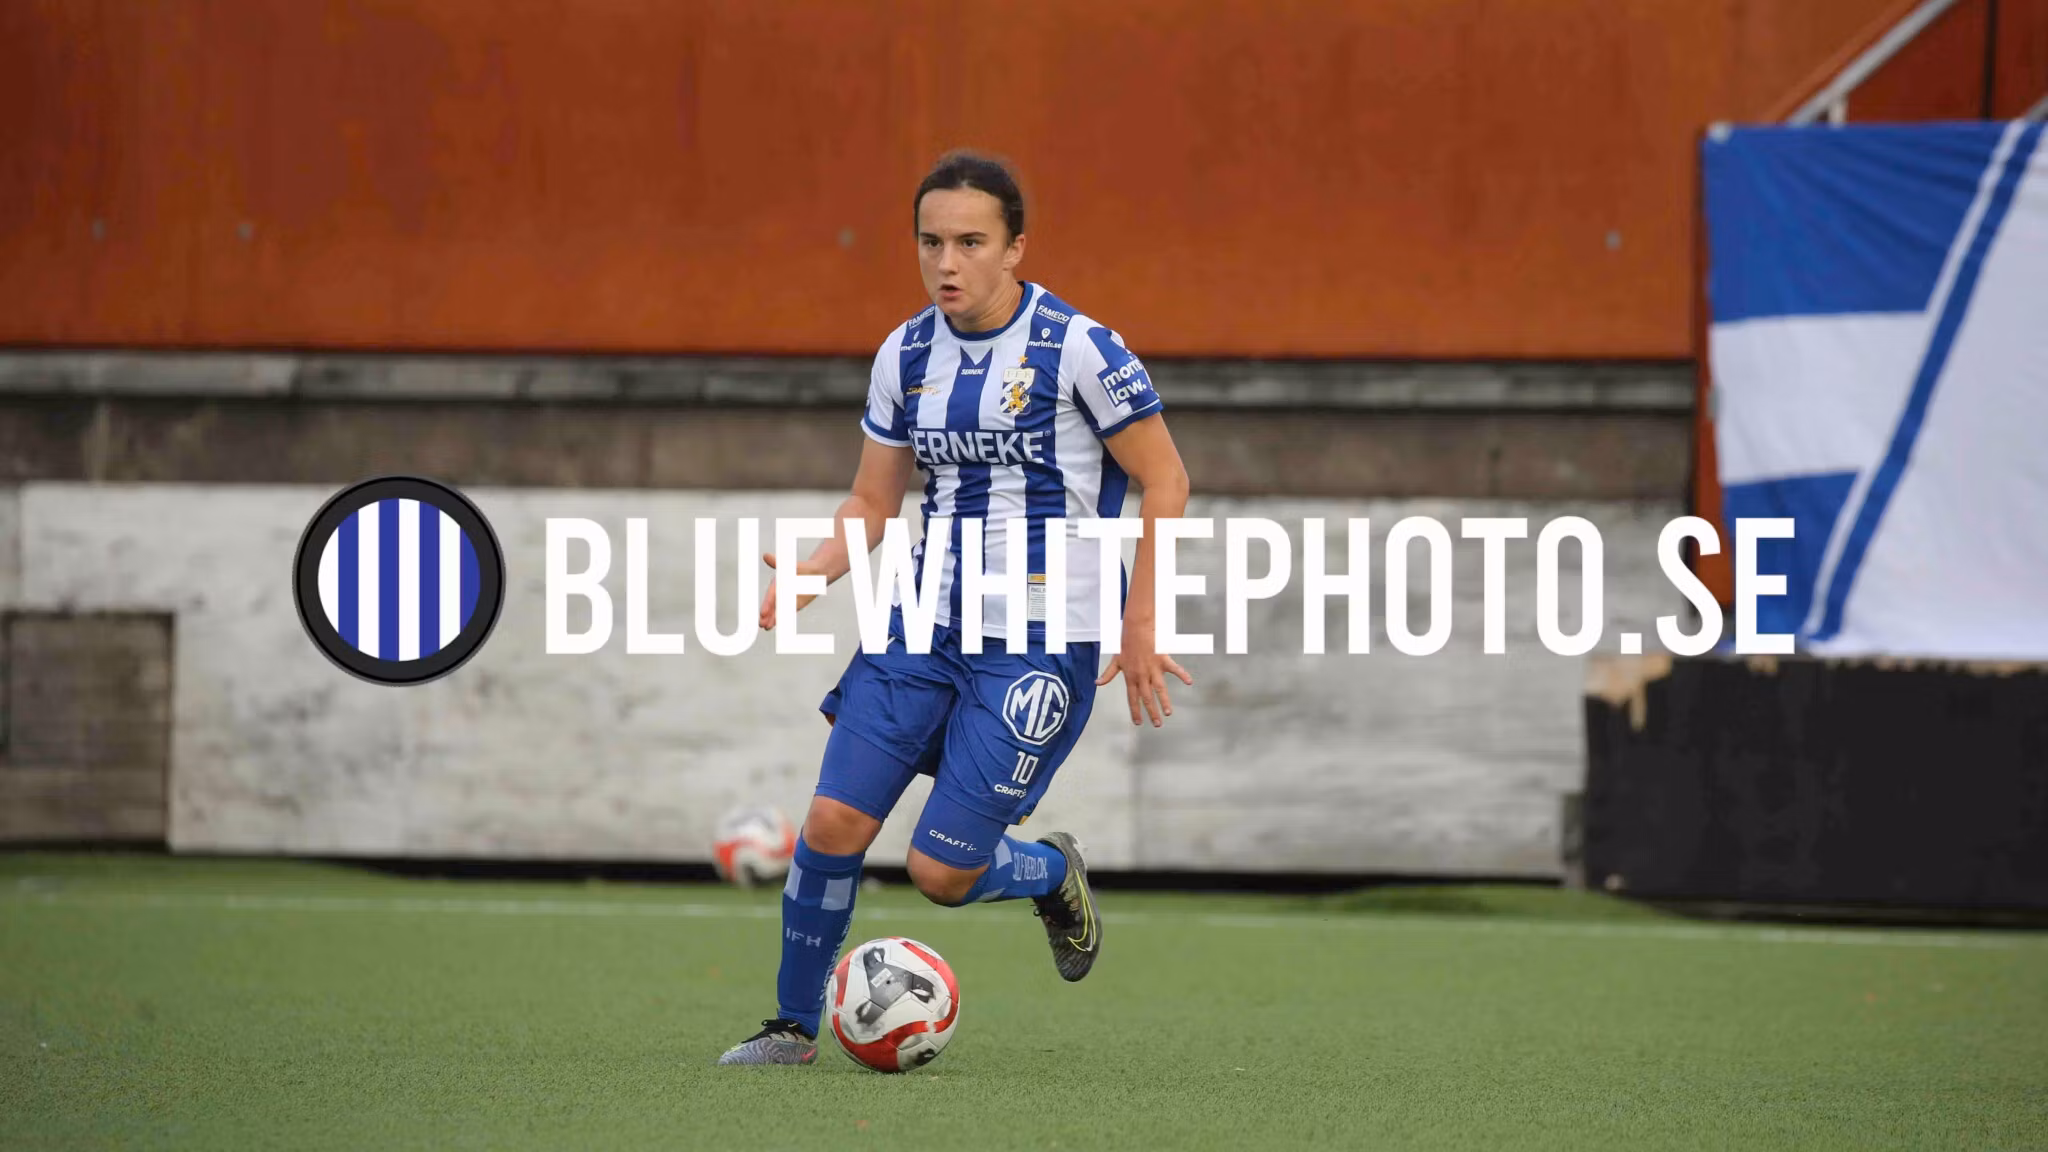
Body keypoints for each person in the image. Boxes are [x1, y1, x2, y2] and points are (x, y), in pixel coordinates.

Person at [717, 150, 1193, 1065]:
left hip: (1039, 641)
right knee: (831, 825)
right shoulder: (905, 353)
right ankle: (790, 1027)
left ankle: (1050, 872)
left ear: (1015, 248)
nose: (947, 262)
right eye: (931, 242)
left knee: (941, 872)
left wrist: (1140, 624)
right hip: (920, 623)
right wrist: (818, 570)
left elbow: (1165, 478)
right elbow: (872, 501)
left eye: (971, 242)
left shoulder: (1079, 348)